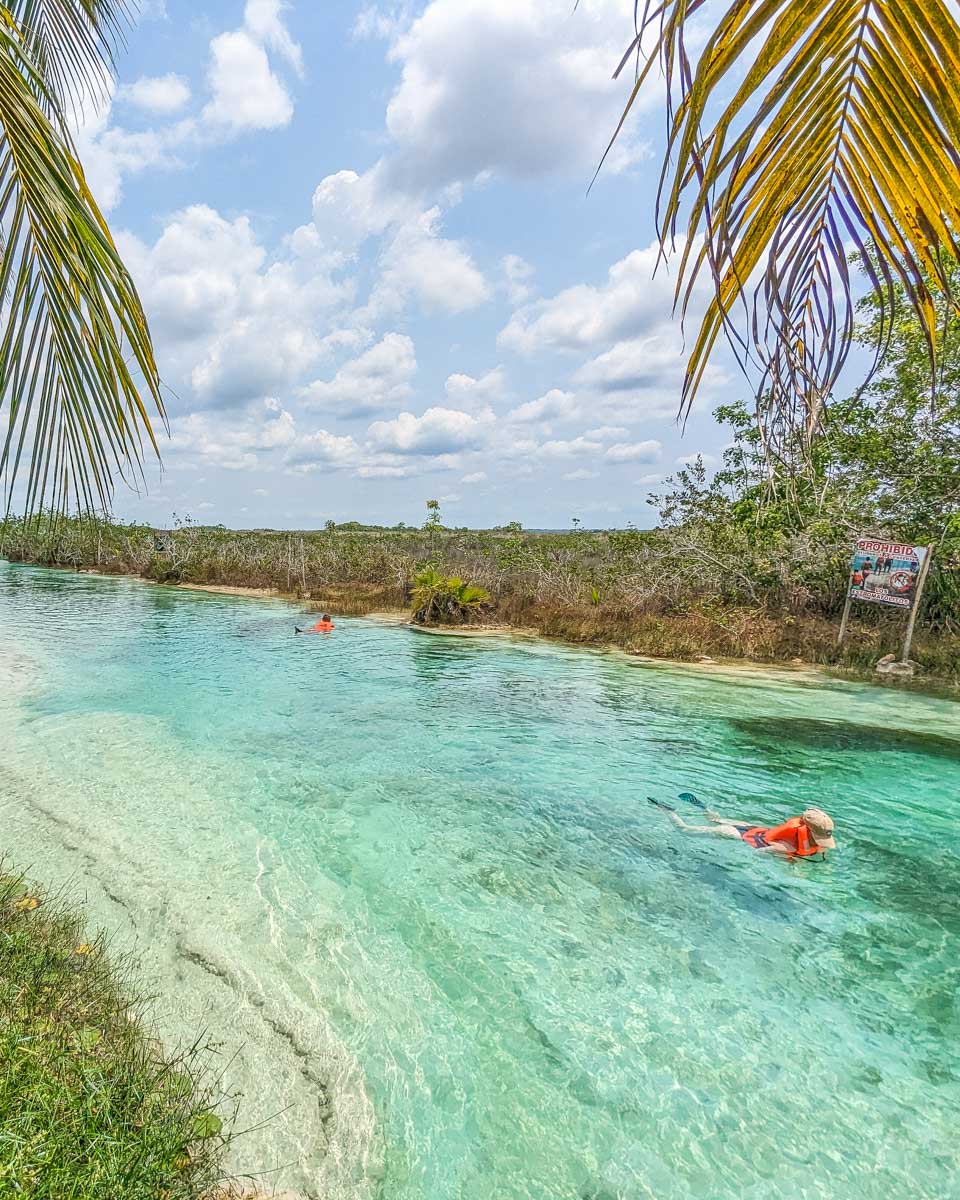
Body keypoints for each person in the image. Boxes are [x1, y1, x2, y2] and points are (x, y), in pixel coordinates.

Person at [667, 806, 836, 859]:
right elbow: (758, 853)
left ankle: (708, 812)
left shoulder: (802, 830)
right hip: (736, 834)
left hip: (752, 827)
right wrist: (787, 861)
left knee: (714, 821)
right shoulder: (786, 848)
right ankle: (668, 811)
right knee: (684, 830)